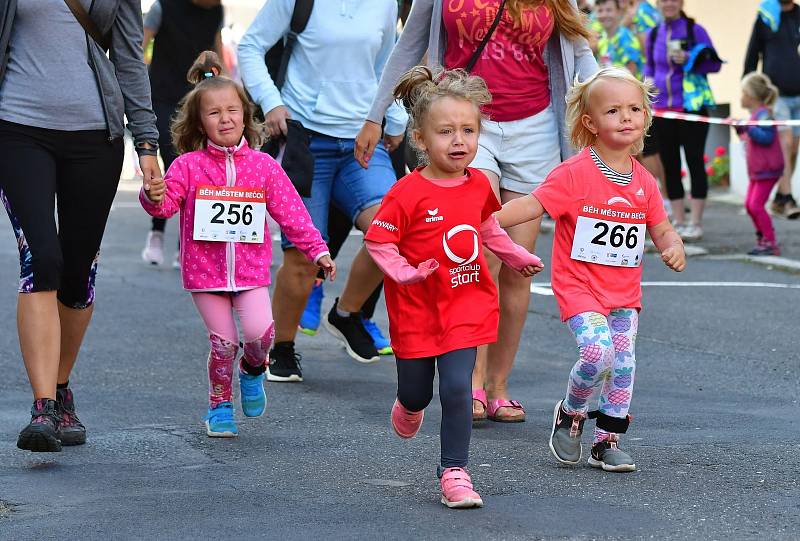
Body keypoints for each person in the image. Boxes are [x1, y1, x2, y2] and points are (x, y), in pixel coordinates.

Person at [355, 0, 598, 423]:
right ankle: (471, 380)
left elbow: (580, 52)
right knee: (474, 254)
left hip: (535, 126)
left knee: (516, 266)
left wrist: (610, 108)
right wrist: (376, 116)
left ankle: (499, 385)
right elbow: (408, 45)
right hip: (464, 127)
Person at [366, 66, 543, 508]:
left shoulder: (480, 183)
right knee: (417, 391)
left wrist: (518, 256)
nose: (459, 141)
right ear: (421, 140)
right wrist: (405, 272)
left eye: (468, 130)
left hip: (465, 304)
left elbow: (487, 226)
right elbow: (379, 240)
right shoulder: (406, 192)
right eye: (446, 132)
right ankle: (408, 405)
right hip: (417, 309)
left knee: (458, 389)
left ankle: (454, 471)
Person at [496, 67, 685, 472]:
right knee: (598, 353)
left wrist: (673, 245)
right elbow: (533, 204)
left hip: (624, 294)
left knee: (624, 363)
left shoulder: (645, 182)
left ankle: (607, 440)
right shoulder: (574, 173)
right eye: (613, 110)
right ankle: (572, 412)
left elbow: (662, 227)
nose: (626, 117)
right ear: (590, 123)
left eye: (635, 108)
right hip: (579, 286)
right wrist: (491, 220)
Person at [140, 52, 335, 437]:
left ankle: (251, 370)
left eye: (232, 110)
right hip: (205, 276)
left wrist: (318, 250)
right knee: (224, 342)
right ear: (199, 122)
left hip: (249, 273)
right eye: (214, 113)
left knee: (262, 334)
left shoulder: (263, 166)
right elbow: (164, 208)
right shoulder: (187, 166)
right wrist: (152, 194)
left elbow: (293, 213)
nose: (225, 118)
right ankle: (218, 407)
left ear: (246, 115)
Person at [0, 1, 161, 452]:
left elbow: (130, 57)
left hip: (97, 137)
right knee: (41, 259)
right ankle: (43, 406)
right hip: (17, 129)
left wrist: (146, 143)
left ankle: (61, 384)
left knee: (76, 272)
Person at [238, 0, 409, 379]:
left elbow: (386, 66)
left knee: (394, 230)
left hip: (361, 139)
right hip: (304, 138)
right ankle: (281, 347)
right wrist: (272, 102)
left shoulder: (384, 4)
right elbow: (250, 46)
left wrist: (394, 118)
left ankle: (346, 313)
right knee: (302, 255)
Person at [140, 0, 225, 268]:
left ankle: (183, 244)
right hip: (162, 95)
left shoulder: (216, 11)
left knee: (198, 168)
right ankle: (157, 232)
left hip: (198, 100)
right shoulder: (163, 7)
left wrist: (225, 86)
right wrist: (137, 85)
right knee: (172, 161)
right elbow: (140, 45)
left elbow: (217, 48)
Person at [645, 0, 721, 241]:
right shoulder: (653, 33)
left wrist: (688, 58)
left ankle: (696, 222)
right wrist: (645, 91)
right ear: (658, 4)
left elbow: (715, 64)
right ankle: (678, 221)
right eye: (664, 0)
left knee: (695, 161)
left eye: (673, 0)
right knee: (670, 165)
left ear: (680, 3)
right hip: (662, 111)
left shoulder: (694, 30)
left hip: (691, 108)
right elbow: (649, 67)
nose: (668, 4)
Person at [744, 0, 800, 219]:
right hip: (776, 95)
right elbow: (753, 52)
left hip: (798, 93)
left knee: (793, 149)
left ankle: (779, 197)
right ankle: (787, 199)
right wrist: (748, 91)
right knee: (784, 144)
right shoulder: (765, 16)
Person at [737, 72, 785, 256]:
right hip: (757, 170)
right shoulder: (756, 115)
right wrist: (740, 128)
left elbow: (766, 137)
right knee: (749, 205)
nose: (741, 97)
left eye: (743, 93)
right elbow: (749, 137)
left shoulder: (764, 115)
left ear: (751, 96)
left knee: (756, 205)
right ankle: (762, 239)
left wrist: (748, 127)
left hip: (768, 169)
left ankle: (770, 243)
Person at [595, 0, 644, 77]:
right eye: (600, 11)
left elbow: (631, 73)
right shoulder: (602, 40)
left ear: (618, 12)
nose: (604, 15)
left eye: (609, 10)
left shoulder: (625, 37)